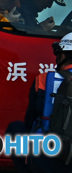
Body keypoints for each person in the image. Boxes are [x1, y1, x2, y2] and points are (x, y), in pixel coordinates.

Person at [7, 32, 72, 172]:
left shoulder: (44, 79)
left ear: (63, 55)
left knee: (15, 128)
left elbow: (30, 120)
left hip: (48, 157)